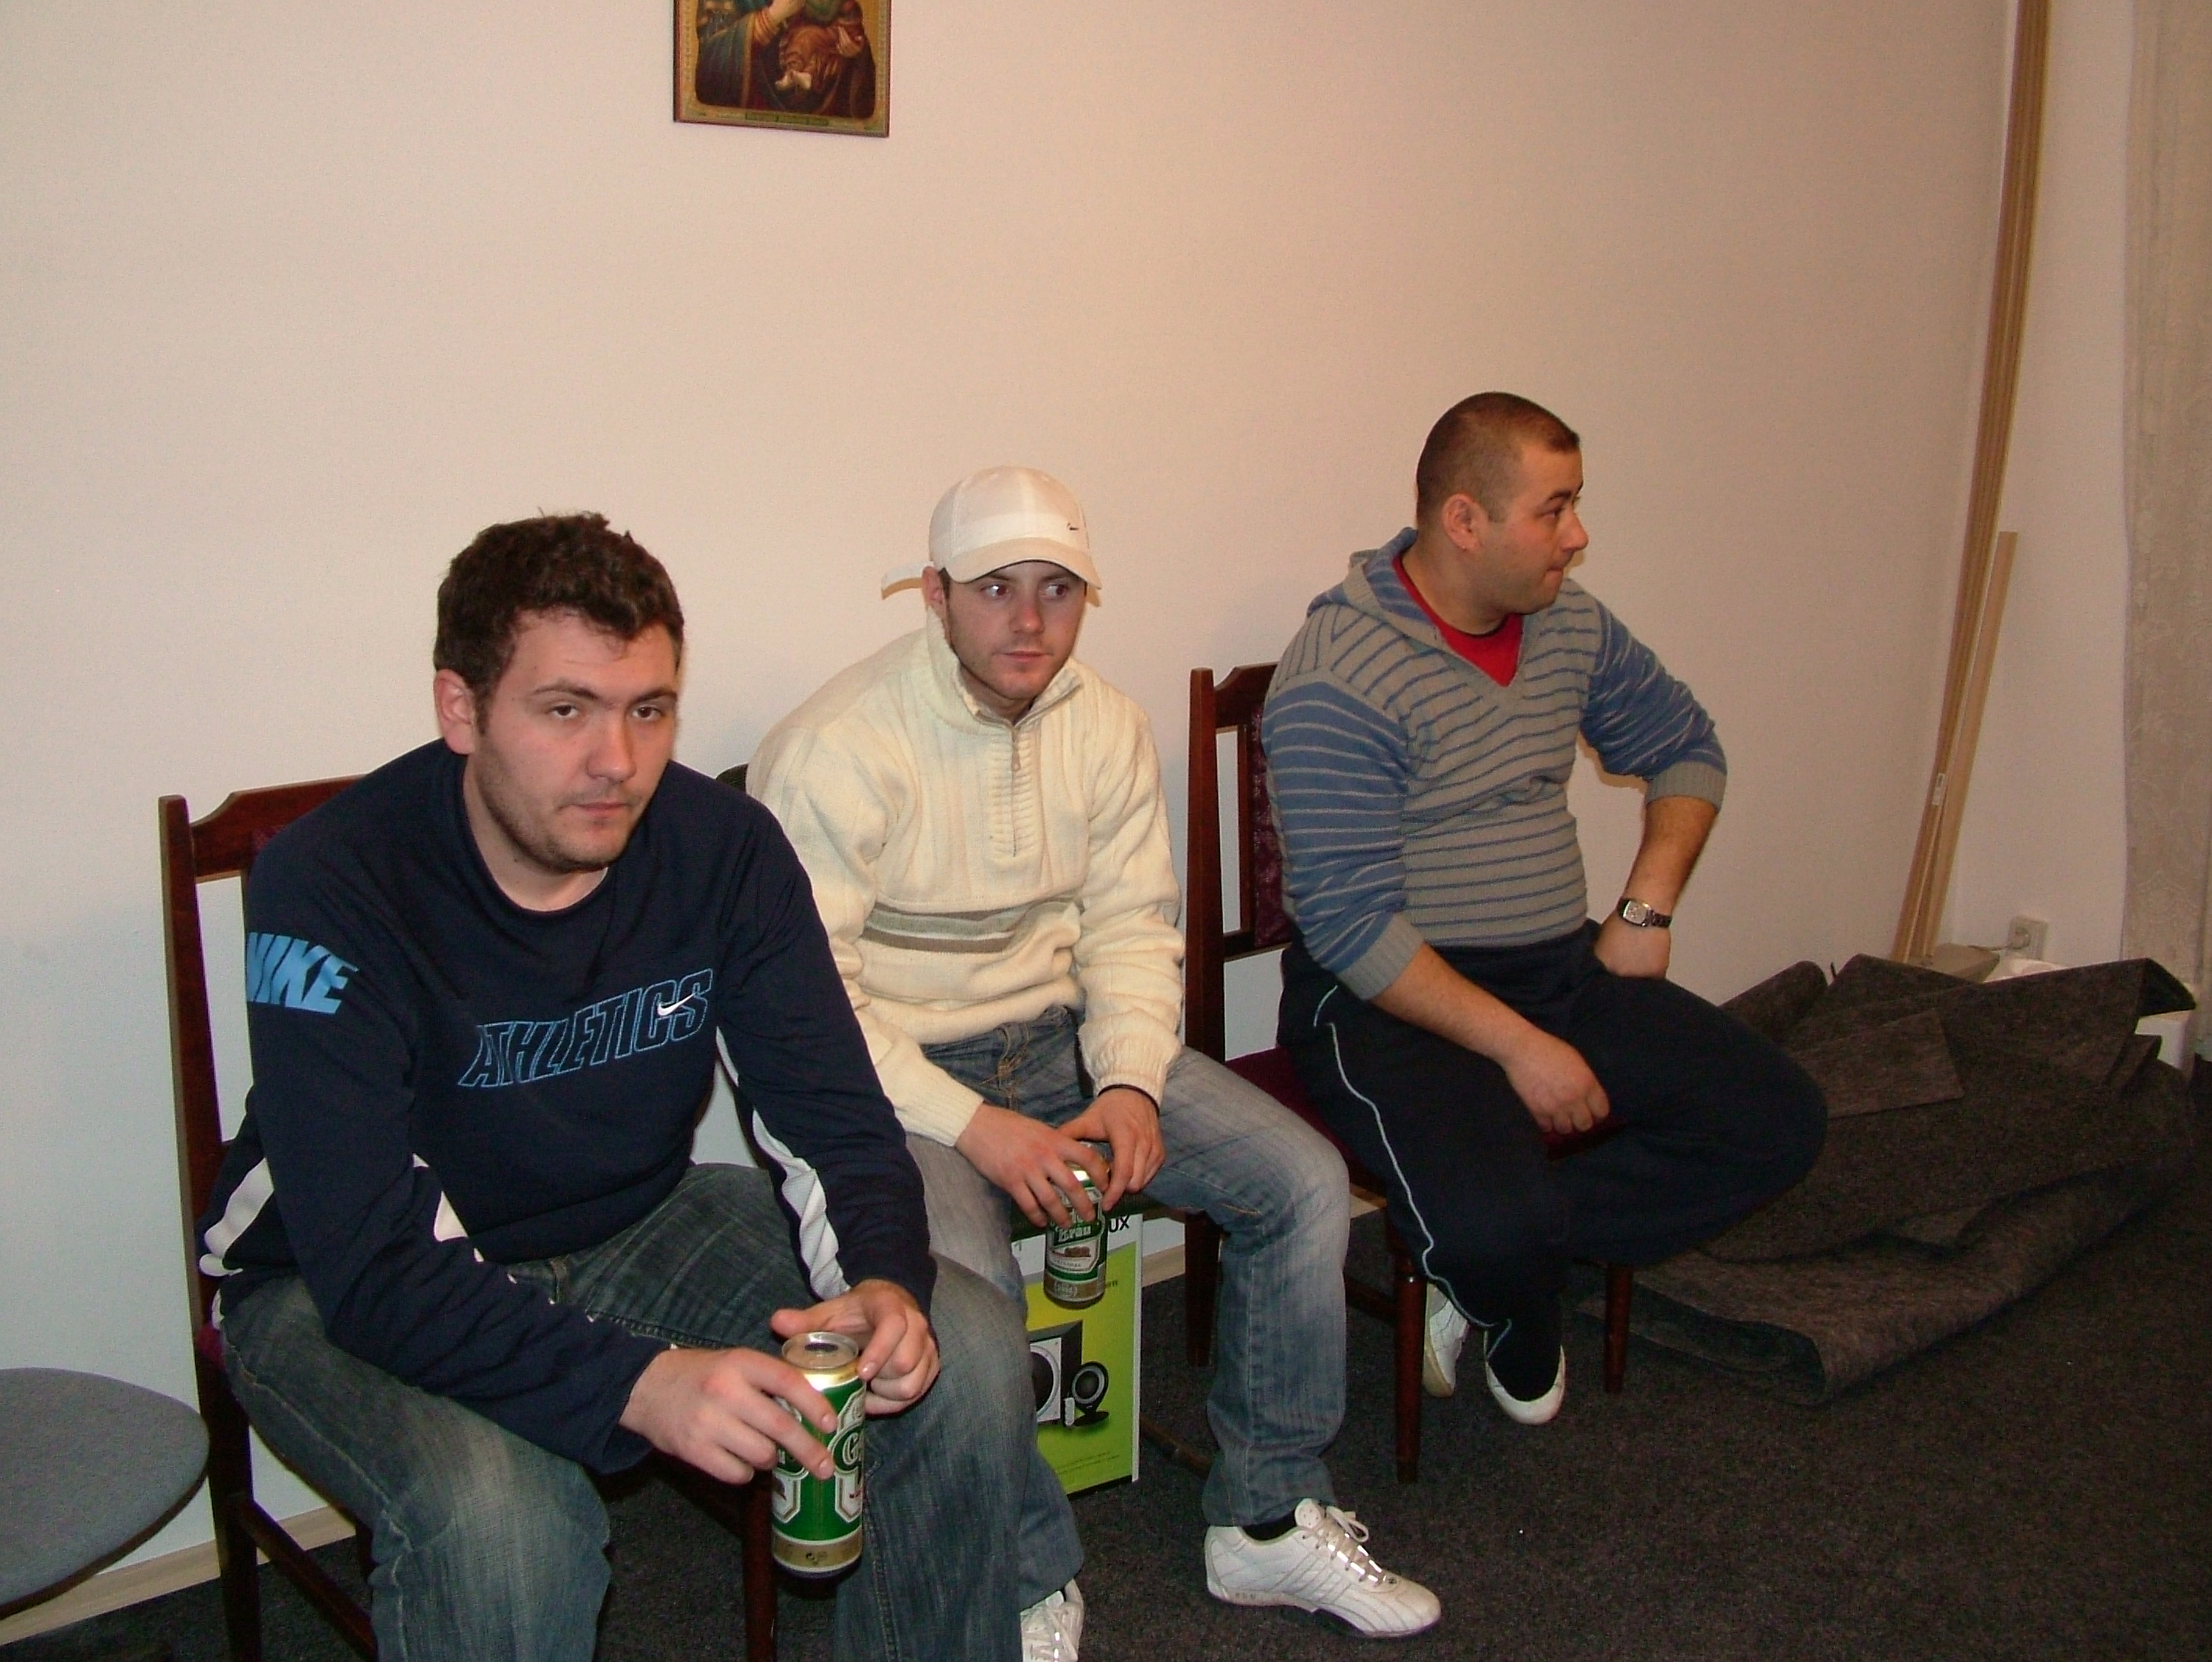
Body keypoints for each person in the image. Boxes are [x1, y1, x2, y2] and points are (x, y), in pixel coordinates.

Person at [198, 514, 1033, 1660]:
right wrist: (640, 1384)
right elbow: (372, 1263)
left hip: (630, 1219)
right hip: (328, 1274)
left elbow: (832, 1115)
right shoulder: (331, 879)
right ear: (460, 710)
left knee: (962, 1349)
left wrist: (881, 1280)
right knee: (508, 1524)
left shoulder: (725, 847)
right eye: (565, 710)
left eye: (649, 710)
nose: (618, 762)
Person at [750, 467, 1442, 1656]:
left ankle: (1268, 1516)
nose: (1030, 621)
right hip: (901, 1082)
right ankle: (1026, 1575)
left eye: (1058, 589)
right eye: (995, 589)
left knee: (1302, 1181)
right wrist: (980, 1129)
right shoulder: (837, 746)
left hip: (1064, 1043)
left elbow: (1131, 931)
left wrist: (1127, 1080)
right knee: (965, 1299)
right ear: (935, 595)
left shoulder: (1107, 725)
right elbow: (811, 1014)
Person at [1264, 394, 1825, 1426]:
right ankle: (1508, 1285)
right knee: (1495, 1220)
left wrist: (1645, 910)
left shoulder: (1569, 623)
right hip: (1385, 1000)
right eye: (1553, 509)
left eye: (1576, 504)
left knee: (1776, 1122)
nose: (1578, 535)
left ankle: (1489, 1261)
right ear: (1464, 521)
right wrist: (1524, 1051)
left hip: (1559, 969)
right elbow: (1349, 925)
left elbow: (1685, 746)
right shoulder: (1339, 673)